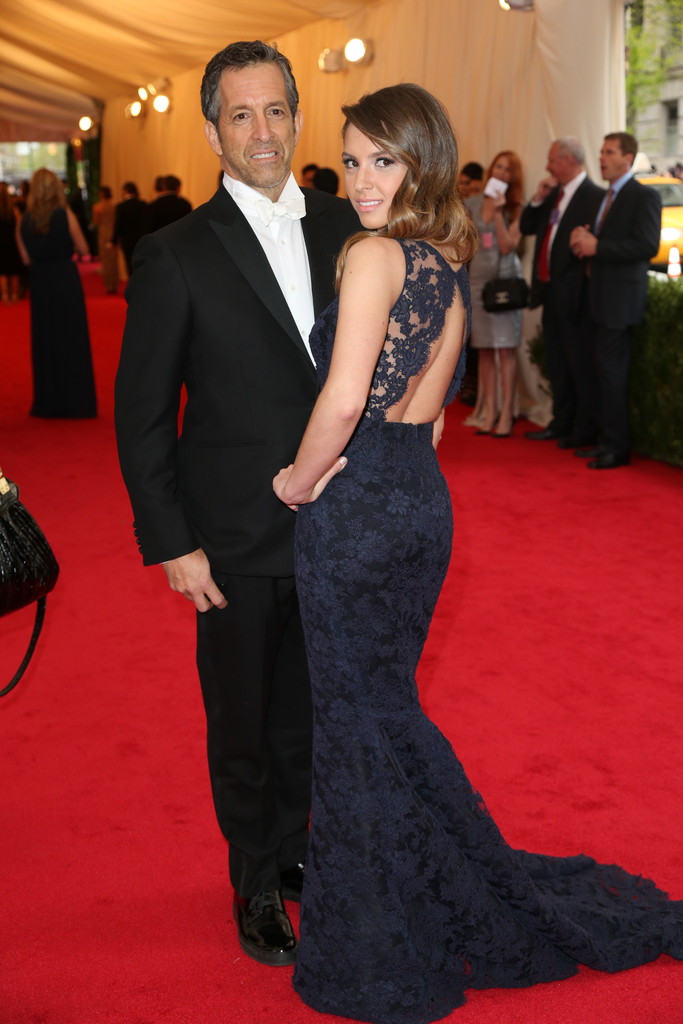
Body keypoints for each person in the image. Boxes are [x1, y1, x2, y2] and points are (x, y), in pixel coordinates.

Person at [273, 84, 683, 1024]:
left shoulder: (374, 255)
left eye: (382, 160)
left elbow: (344, 400)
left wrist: (296, 482)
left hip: (356, 509)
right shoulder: (443, 257)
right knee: (385, 710)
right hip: (420, 502)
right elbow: (435, 420)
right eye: (352, 160)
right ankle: (430, 884)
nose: (362, 179)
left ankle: (380, 938)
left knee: (355, 719)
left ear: (420, 160)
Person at [114, 40, 359, 968]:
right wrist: (171, 541)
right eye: (240, 115)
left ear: (297, 118)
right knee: (244, 721)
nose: (262, 131)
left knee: (313, 712)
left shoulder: (348, 226)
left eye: (275, 110)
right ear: (214, 132)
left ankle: (298, 850)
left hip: (338, 528)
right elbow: (142, 414)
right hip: (229, 539)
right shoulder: (174, 253)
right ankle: (254, 877)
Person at [570, 132, 661, 469]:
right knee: (601, 373)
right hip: (598, 298)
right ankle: (605, 441)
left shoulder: (643, 195)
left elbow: (647, 246)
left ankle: (617, 447)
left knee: (611, 375)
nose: (602, 158)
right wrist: (584, 238)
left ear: (628, 158)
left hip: (620, 302)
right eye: (601, 151)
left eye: (609, 152)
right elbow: (604, 239)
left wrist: (598, 246)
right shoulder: (606, 196)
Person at [520, 137, 604, 447]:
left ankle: (583, 430)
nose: (547, 166)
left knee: (579, 364)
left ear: (568, 160)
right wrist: (538, 199)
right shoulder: (554, 194)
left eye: (552, 160)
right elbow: (527, 226)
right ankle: (561, 421)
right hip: (550, 291)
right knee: (557, 361)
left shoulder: (595, 197)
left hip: (576, 295)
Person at [17, 168, 97, 418]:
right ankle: (76, 401)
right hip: (65, 280)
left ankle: (48, 401)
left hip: (41, 282)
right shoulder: (65, 214)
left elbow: (25, 258)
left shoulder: (24, 219)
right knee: (71, 338)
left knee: (46, 339)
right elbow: (84, 248)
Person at [464, 151, 525, 437]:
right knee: (485, 350)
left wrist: (499, 214)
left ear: (513, 177)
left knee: (505, 349)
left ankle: (506, 415)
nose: (501, 173)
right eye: (499, 167)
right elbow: (465, 242)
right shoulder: (473, 203)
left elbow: (508, 246)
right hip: (478, 280)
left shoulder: (516, 207)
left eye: (508, 170)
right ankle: (488, 413)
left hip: (505, 283)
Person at [110, 181, 147, 276]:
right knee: (142, 264)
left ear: (125, 191)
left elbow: (118, 225)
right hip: (141, 239)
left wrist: (114, 241)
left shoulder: (121, 206)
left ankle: (133, 282)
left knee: (129, 264)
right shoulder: (143, 205)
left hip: (127, 240)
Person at [91, 185, 119, 293]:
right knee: (114, 259)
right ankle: (115, 283)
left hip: (103, 233)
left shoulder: (97, 207)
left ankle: (108, 285)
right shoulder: (115, 205)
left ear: (101, 194)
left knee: (105, 259)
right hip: (113, 233)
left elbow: (96, 222)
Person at [0, 181, 22, 303]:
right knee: (14, 270)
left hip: (1, 243)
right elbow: (20, 226)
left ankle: (4, 295)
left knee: (2, 270)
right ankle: (14, 295)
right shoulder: (14, 210)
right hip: (13, 242)